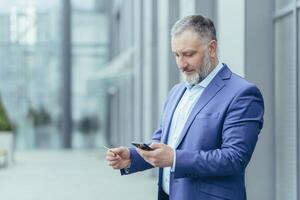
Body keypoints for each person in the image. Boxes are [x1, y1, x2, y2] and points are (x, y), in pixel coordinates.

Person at [106, 15, 264, 200]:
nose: (181, 64)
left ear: (211, 48)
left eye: (188, 54)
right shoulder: (177, 91)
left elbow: (234, 158)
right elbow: (163, 141)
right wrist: (132, 157)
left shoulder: (242, 94)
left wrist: (175, 159)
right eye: (177, 55)